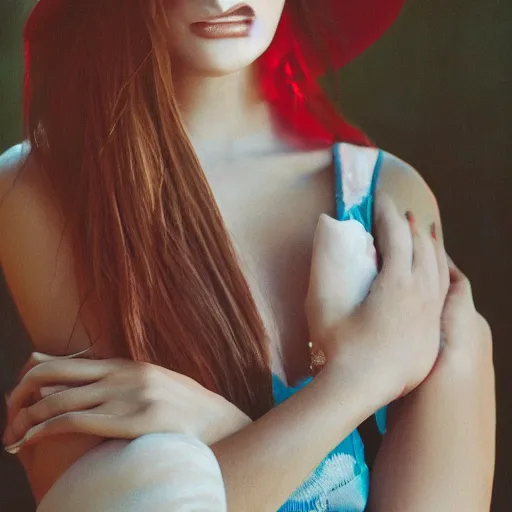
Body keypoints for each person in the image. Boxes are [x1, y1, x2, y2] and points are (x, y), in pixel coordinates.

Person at [0, 1, 495, 510]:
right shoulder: (40, 193)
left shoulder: (386, 196)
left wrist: (216, 427)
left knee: (468, 338)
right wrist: (360, 380)